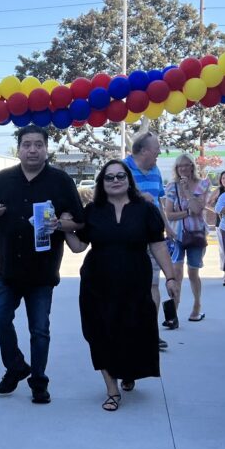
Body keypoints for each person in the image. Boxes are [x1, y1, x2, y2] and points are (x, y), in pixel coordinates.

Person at [0, 125, 84, 404]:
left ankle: (38, 381)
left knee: (39, 329)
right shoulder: (2, 179)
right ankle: (15, 366)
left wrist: (60, 224)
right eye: (27, 144)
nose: (32, 149)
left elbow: (81, 221)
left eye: (38, 144)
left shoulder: (60, 181)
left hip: (42, 271)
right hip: (7, 269)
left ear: (46, 148)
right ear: (19, 148)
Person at [64, 160, 178, 410]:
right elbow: (79, 247)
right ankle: (111, 389)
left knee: (133, 331)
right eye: (109, 177)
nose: (115, 181)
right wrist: (63, 229)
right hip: (97, 284)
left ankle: (128, 372)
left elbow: (157, 245)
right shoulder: (92, 210)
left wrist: (171, 277)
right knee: (99, 333)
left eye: (120, 176)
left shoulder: (145, 209)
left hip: (135, 284)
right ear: (101, 183)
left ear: (129, 180)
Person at [125, 132, 168, 348]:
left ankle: (151, 332)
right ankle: (129, 332)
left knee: (153, 284)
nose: (159, 151)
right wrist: (138, 196)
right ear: (143, 151)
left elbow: (159, 202)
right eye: (156, 148)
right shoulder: (122, 169)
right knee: (129, 287)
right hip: (128, 240)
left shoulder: (157, 170)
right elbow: (107, 197)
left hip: (153, 238)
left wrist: (167, 227)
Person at [161, 153, 211, 323]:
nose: (183, 168)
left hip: (196, 235)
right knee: (176, 273)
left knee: (193, 272)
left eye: (186, 165)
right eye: (179, 166)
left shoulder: (203, 184)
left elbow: (198, 209)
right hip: (177, 235)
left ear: (192, 166)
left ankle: (197, 307)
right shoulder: (172, 186)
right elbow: (169, 214)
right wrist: (187, 212)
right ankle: (173, 312)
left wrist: (188, 192)